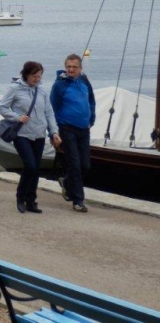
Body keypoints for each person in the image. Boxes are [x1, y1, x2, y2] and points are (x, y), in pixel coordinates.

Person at [0, 61, 61, 214]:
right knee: (30, 166)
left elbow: (49, 113)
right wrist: (17, 117)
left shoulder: (42, 90)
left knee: (36, 169)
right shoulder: (15, 88)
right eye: (34, 76)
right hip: (22, 134)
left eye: (39, 76)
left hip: (39, 134)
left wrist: (54, 132)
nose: (37, 79)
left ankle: (31, 200)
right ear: (26, 74)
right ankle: (20, 197)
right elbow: (2, 107)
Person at [50, 54, 96, 213]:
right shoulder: (59, 85)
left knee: (85, 165)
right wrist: (53, 132)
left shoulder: (84, 81)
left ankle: (66, 182)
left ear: (80, 68)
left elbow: (91, 101)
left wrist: (91, 118)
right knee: (75, 165)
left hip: (84, 129)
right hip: (67, 128)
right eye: (68, 66)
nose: (71, 69)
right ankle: (78, 200)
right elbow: (52, 109)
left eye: (74, 67)